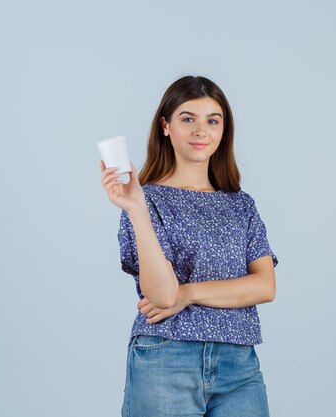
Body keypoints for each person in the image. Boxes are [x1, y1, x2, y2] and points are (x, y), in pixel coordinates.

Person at [99, 75, 279, 417]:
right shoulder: (145, 200)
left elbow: (265, 286)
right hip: (167, 358)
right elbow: (163, 296)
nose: (202, 131)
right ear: (165, 126)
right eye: (188, 119)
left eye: (213, 121)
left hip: (238, 363)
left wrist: (190, 292)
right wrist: (137, 208)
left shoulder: (241, 205)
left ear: (223, 131)